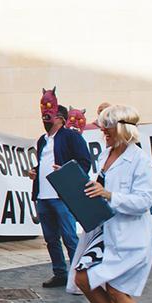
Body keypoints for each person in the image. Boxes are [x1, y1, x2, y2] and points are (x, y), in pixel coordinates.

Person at [70, 104, 152, 303]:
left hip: (129, 235)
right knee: (83, 277)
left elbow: (145, 200)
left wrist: (109, 195)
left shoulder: (138, 159)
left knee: (119, 289)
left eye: (107, 129)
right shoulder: (108, 154)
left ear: (121, 129)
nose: (103, 133)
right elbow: (99, 188)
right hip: (106, 231)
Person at [27, 102, 93, 288]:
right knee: (50, 238)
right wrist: (35, 171)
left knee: (69, 237)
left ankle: (78, 274)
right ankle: (60, 273)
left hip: (61, 196)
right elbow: (44, 164)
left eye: (50, 115)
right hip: (43, 196)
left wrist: (67, 170)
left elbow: (84, 162)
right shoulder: (42, 140)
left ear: (61, 119)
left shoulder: (71, 137)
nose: (45, 118)